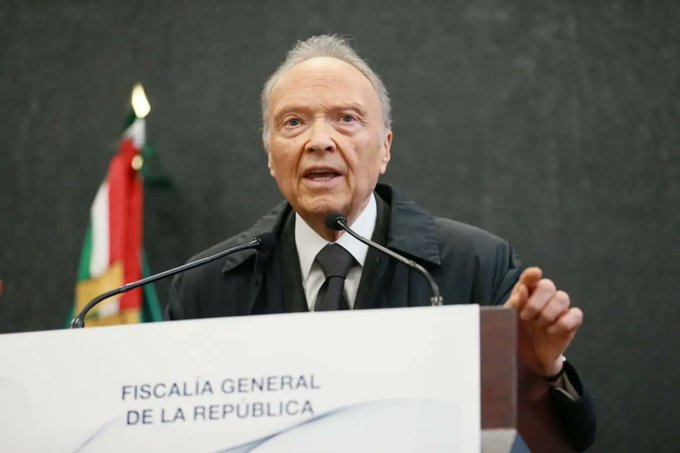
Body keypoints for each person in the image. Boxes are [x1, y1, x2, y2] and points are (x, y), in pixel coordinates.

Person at [167, 34, 595, 450]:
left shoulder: (478, 265)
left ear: (385, 148)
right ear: (269, 155)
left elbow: (558, 442)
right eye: (293, 122)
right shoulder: (205, 286)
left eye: (347, 119)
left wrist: (540, 374)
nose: (319, 141)